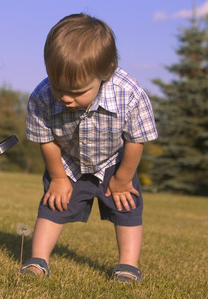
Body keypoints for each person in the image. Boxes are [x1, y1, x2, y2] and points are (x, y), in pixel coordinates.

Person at [21, 13, 158, 282]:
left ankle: (128, 266)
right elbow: (45, 140)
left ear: (105, 71)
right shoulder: (42, 96)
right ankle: (38, 259)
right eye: (59, 87)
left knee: (127, 206)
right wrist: (59, 178)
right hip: (69, 163)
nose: (66, 98)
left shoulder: (128, 93)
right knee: (53, 204)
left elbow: (135, 140)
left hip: (115, 162)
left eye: (77, 91)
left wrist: (123, 178)